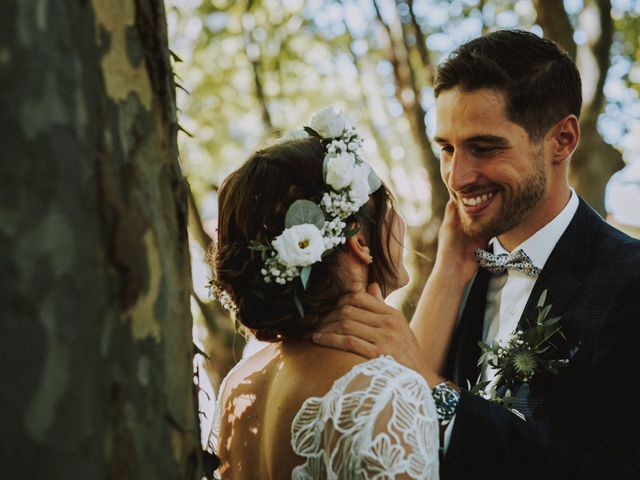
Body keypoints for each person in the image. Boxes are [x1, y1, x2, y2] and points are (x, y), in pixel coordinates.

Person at [311, 30, 640, 479]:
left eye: (484, 148)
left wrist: (440, 395)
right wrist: (446, 274)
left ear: (562, 140)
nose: (458, 176)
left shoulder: (629, 280)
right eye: (446, 148)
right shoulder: (458, 274)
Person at [205, 108, 474, 479]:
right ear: (361, 241)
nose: (400, 223)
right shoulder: (384, 394)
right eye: (388, 209)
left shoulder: (241, 382)